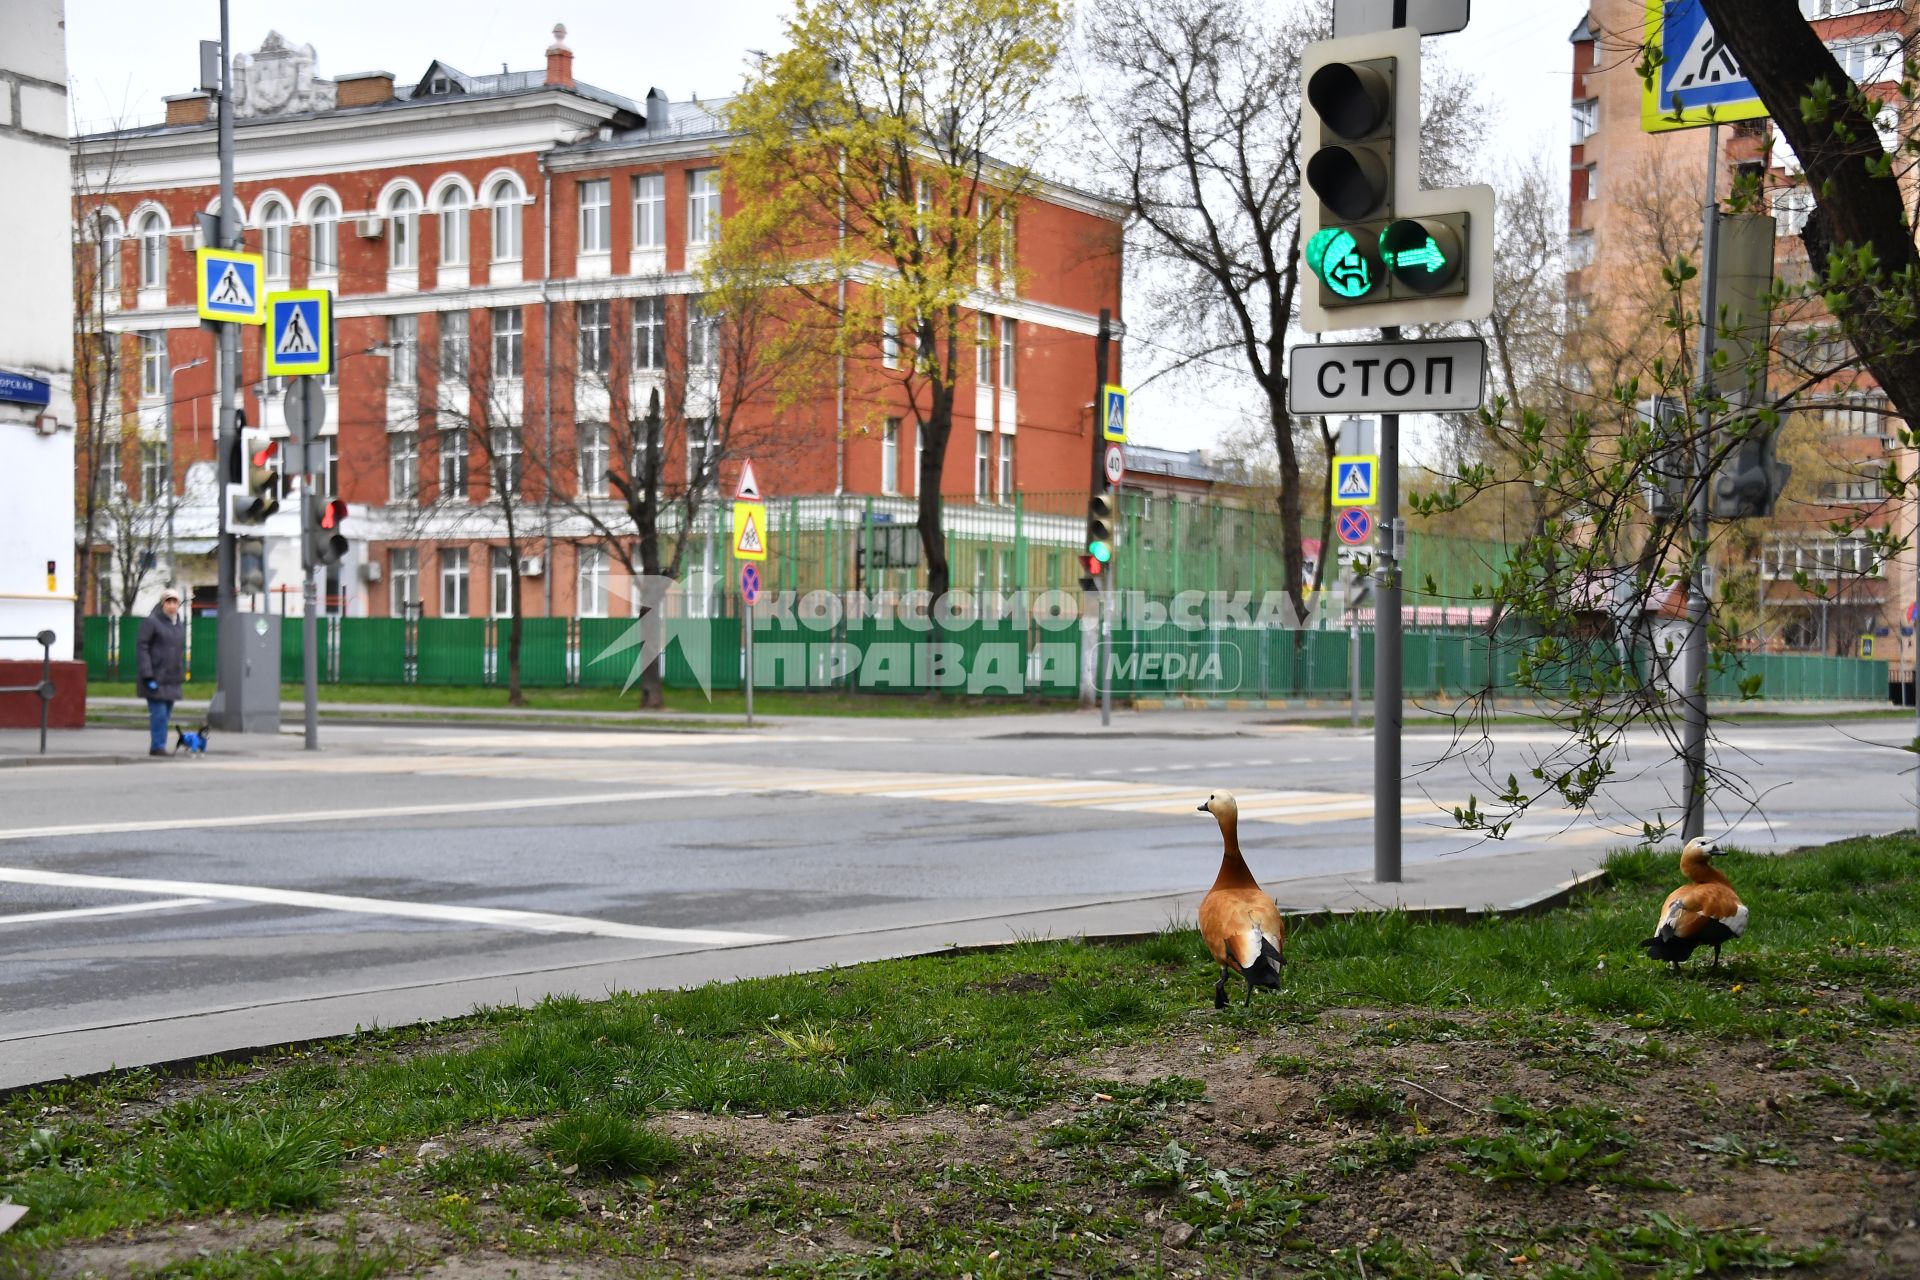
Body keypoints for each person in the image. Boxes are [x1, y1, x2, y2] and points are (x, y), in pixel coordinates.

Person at [136, 588, 187, 757]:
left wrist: (182, 672)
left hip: (172, 679)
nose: (172, 605)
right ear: (162, 603)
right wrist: (147, 674)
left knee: (166, 715)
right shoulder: (152, 622)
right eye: (168, 601)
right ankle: (158, 746)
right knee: (159, 714)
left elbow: (178, 651)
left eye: (175, 602)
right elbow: (142, 647)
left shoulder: (178, 624)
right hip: (155, 677)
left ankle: (158, 745)